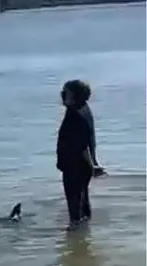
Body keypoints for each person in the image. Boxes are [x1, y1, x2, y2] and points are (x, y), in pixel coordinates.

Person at [56, 80, 97, 229]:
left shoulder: (75, 116)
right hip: (82, 166)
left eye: (66, 92)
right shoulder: (84, 109)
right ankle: (85, 234)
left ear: (75, 96)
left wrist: (93, 166)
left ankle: (76, 239)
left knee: (75, 207)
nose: (62, 95)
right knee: (82, 201)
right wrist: (93, 164)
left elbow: (82, 146)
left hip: (75, 167)